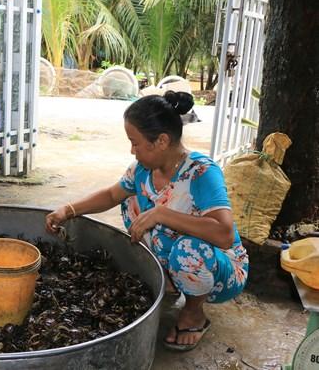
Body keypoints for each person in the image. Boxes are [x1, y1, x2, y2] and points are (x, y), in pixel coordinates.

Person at [45, 91, 248, 351]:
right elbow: (110, 195)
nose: (132, 150)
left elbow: (224, 235)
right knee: (129, 201)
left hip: (221, 266)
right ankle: (170, 278)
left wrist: (162, 214)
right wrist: (68, 209)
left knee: (187, 248)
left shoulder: (202, 173)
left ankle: (194, 313)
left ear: (161, 141)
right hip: (175, 251)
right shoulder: (142, 170)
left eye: (135, 142)